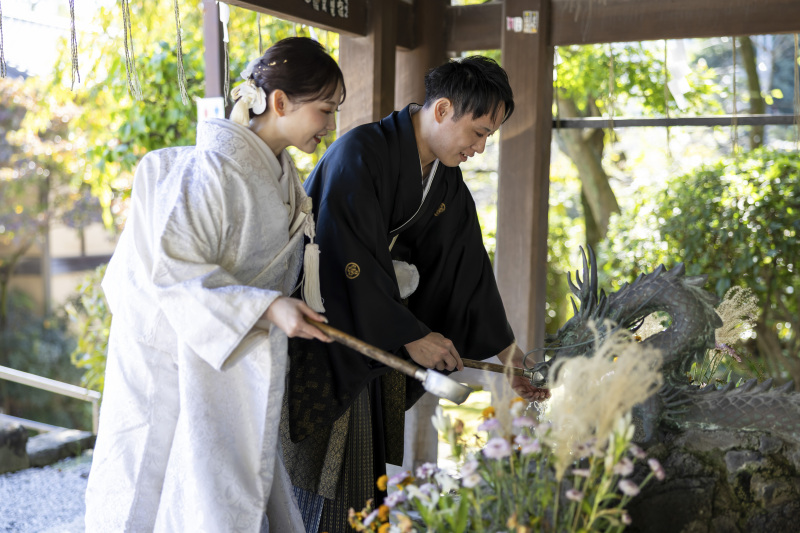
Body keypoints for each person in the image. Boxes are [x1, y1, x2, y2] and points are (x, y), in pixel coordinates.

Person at [84, 37, 344, 533]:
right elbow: (173, 271)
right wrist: (266, 308)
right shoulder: (208, 172)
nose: (330, 125)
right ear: (280, 102)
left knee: (227, 483)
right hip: (174, 355)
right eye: (325, 110)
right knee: (159, 480)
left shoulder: (279, 174)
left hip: (231, 354)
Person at [281, 55, 549, 533]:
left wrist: (509, 358)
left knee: (361, 485)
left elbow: (467, 268)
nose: (480, 148)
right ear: (442, 110)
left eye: (488, 137)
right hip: (327, 331)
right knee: (324, 481)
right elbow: (347, 257)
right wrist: (410, 334)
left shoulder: (444, 179)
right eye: (479, 132)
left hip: (376, 331)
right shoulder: (359, 153)